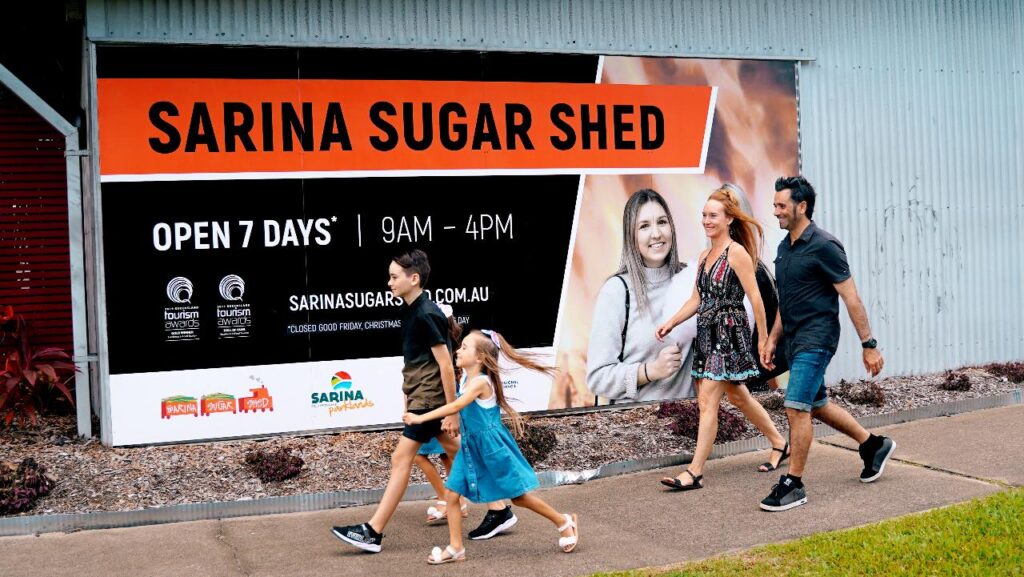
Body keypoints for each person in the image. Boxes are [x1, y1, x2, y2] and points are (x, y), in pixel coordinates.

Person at [758, 176, 895, 512]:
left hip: (817, 339)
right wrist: (773, 339)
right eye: (774, 205)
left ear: (801, 206)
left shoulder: (824, 245)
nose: (774, 211)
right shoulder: (783, 248)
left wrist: (869, 344)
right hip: (793, 338)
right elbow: (784, 302)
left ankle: (794, 484)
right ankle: (873, 445)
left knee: (795, 406)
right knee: (816, 404)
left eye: (780, 205)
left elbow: (850, 297)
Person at [403, 330, 579, 564]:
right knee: (452, 494)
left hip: (492, 449)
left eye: (465, 347)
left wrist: (420, 418)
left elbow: (457, 404)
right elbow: (459, 408)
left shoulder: (480, 383)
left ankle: (563, 521)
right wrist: (452, 421)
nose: (458, 350)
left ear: (480, 358)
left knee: (519, 498)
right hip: (471, 448)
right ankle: (456, 548)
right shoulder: (466, 379)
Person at [655, 185, 790, 490]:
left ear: (729, 219)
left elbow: (755, 299)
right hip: (708, 332)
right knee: (739, 395)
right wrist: (671, 322)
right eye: (704, 215)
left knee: (706, 400)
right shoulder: (704, 256)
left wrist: (763, 340)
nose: (707, 220)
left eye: (713, 215)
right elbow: (697, 299)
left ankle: (695, 472)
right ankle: (780, 442)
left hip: (729, 334)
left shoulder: (737, 253)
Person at [332, 249, 460, 553]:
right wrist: (409, 400)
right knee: (462, 451)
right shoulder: (411, 310)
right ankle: (501, 508)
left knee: (401, 458)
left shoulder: (427, 313)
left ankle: (372, 532)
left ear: (413, 278)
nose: (388, 282)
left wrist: (452, 412)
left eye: (394, 276)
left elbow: (446, 364)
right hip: (422, 398)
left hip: (430, 402)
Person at [586, 188, 697, 403]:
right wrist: (650, 371)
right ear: (631, 236)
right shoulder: (617, 291)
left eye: (662, 222)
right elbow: (597, 377)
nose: (656, 234)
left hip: (687, 423)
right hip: (634, 426)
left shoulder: (691, 279)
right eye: (644, 226)